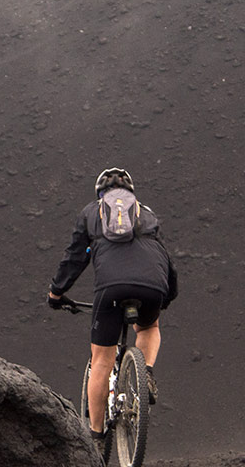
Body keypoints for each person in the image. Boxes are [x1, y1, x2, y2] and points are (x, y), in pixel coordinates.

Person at [48, 168, 178, 451]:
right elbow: (165, 257)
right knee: (149, 326)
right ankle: (146, 373)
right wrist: (167, 295)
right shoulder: (147, 214)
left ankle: (95, 438)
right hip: (152, 285)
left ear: (99, 194)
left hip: (111, 288)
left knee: (102, 361)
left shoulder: (91, 213)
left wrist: (57, 292)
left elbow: (75, 258)